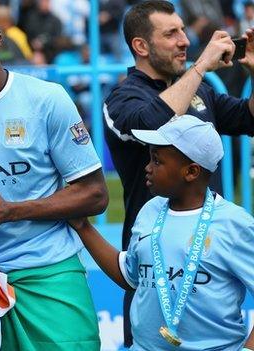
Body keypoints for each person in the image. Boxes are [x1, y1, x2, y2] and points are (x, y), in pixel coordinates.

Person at [0, 1, 108, 349]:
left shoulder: (46, 99)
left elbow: (94, 194)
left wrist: (12, 210)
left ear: (0, 38)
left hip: (49, 274)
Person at [103, 1, 254, 345]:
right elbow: (149, 124)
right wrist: (201, 66)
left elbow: (249, 117)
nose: (184, 40)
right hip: (153, 276)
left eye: (184, 30)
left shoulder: (200, 89)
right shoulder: (122, 98)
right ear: (140, 46)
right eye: (171, 34)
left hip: (211, 262)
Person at [70, 115, 254, 350]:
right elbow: (130, 276)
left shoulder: (234, 225)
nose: (147, 168)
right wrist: (83, 226)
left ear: (191, 172)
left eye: (157, 161)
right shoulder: (150, 210)